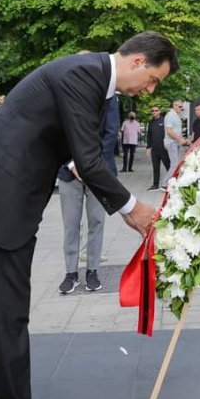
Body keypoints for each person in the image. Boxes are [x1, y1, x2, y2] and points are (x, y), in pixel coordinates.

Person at [0, 31, 178, 399]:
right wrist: (134, 210)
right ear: (138, 61)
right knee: (7, 314)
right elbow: (90, 160)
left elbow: (78, 151)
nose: (149, 91)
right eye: (153, 80)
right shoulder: (85, 74)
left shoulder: (92, 78)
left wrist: (97, 180)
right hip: (1, 194)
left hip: (11, 193)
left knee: (11, 310)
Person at [56, 93, 119, 295]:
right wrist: (73, 163)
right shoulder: (66, 92)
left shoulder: (109, 96)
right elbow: (59, 131)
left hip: (98, 171)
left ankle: (92, 272)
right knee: (71, 224)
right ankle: (71, 274)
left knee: (96, 222)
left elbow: (110, 135)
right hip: (69, 172)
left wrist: (91, 166)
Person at [161, 99, 187, 189]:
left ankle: (174, 183)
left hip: (175, 143)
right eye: (180, 106)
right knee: (175, 164)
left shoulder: (175, 115)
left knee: (177, 163)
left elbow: (174, 130)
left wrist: (181, 138)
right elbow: (169, 131)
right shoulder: (171, 115)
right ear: (174, 105)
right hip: (172, 143)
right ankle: (165, 184)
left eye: (182, 107)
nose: (181, 108)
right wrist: (180, 139)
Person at [144, 105, 169, 191]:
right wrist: (148, 147)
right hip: (154, 149)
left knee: (168, 166)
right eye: (153, 111)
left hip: (164, 148)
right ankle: (155, 184)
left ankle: (172, 182)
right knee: (155, 167)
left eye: (156, 110)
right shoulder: (151, 122)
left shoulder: (164, 121)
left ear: (159, 111)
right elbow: (149, 136)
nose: (154, 112)